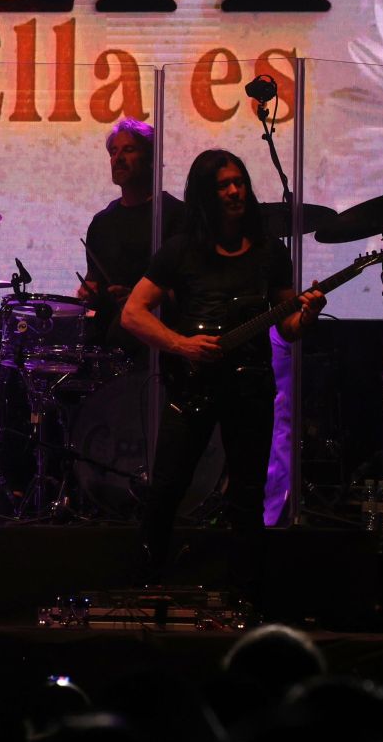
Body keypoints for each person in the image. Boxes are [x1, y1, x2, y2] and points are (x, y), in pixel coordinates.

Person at [121, 149, 324, 596]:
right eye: (223, 185)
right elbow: (133, 313)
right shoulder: (180, 250)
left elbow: (287, 327)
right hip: (192, 385)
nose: (235, 191)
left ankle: (246, 596)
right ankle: (143, 587)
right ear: (205, 195)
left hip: (250, 386)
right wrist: (180, 344)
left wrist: (306, 315)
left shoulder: (271, 252)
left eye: (240, 182)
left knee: (247, 496)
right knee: (167, 489)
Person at [75, 119, 187, 352]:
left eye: (129, 150)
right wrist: (89, 291)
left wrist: (141, 299)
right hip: (110, 347)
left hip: (161, 344)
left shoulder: (178, 215)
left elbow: (189, 290)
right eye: (114, 152)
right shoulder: (101, 222)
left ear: (151, 159)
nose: (118, 158)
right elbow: (94, 280)